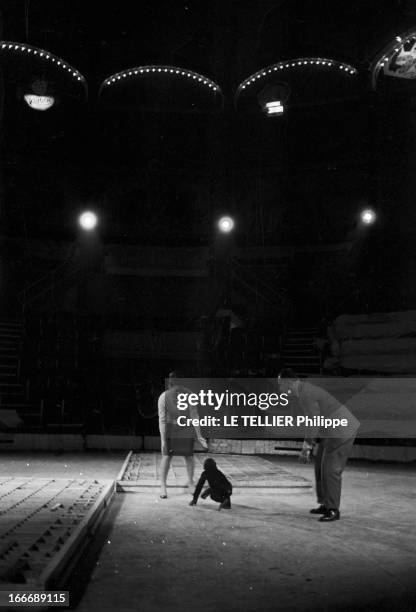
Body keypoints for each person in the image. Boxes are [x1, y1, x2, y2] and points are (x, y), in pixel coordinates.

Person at [278, 369, 359, 522]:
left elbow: (313, 422)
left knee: (330, 470)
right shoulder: (303, 392)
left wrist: (307, 447)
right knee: (319, 467)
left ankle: (333, 509)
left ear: (289, 382)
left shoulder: (306, 394)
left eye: (281, 385)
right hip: (330, 432)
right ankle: (325, 503)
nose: (280, 389)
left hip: (342, 431)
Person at [158, 371, 207, 499]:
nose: (177, 389)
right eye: (173, 385)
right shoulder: (164, 397)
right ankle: (163, 485)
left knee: (189, 456)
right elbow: (162, 420)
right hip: (170, 427)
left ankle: (190, 483)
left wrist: (199, 436)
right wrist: (163, 440)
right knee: (166, 456)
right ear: (170, 384)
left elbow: (195, 416)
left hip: (185, 427)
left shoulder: (190, 395)